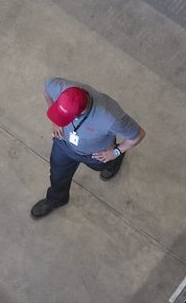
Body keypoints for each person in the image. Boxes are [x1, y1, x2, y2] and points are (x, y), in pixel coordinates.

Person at [30, 79, 144, 219]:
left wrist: (115, 152)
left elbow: (137, 134)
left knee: (103, 165)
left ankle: (115, 161)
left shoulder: (110, 116)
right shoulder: (60, 88)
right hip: (64, 144)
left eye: (67, 117)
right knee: (57, 175)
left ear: (80, 113)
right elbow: (46, 90)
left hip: (96, 154)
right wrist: (57, 120)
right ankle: (56, 199)